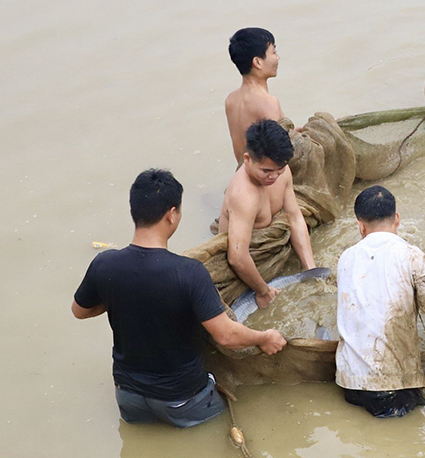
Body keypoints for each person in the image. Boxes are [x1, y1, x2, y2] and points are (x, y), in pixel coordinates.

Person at [72, 169, 286, 427]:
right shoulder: (189, 272)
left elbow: (79, 311)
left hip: (128, 397)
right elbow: (226, 336)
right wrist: (265, 337)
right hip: (183, 399)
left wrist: (119, 297)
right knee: (220, 432)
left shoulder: (104, 264)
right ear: (171, 215)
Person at [336, 186, 425, 417]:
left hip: (349, 384)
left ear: (360, 225)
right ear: (397, 219)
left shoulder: (346, 257)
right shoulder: (411, 255)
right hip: (391, 389)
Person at [218, 119, 316, 308]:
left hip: (266, 248)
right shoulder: (244, 196)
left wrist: (310, 269)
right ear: (247, 160)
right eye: (266, 171)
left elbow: (295, 217)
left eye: (278, 171)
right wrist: (263, 291)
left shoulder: (282, 172)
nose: (273, 177)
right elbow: (237, 257)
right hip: (241, 261)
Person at [226, 27, 292, 165]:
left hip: (246, 169)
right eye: (273, 52)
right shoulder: (268, 102)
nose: (277, 57)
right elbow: (278, 154)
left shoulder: (231, 100)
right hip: (267, 176)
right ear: (257, 62)